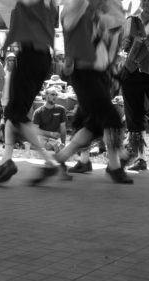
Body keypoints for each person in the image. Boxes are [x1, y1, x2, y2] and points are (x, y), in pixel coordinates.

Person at [46, 0, 133, 184]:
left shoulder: (93, 10)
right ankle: (115, 165)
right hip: (84, 73)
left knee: (94, 125)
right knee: (111, 119)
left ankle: (59, 159)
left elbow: (113, 24)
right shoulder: (75, 8)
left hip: (98, 74)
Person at [0, 0, 60, 185]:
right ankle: (6, 160)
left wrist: (4, 48)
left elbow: (15, 27)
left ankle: (48, 160)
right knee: (13, 112)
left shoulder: (24, 4)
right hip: (44, 59)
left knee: (16, 114)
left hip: (29, 57)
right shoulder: (50, 5)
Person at [119, 0, 149, 171]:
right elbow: (125, 45)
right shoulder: (132, 20)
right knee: (133, 117)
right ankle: (140, 158)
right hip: (132, 73)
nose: (147, 3)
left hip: (142, 70)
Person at [32, 86, 67, 153]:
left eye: (56, 95)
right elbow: (35, 130)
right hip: (42, 137)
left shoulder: (61, 109)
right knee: (44, 143)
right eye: (52, 94)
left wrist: (63, 143)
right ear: (46, 95)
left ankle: (54, 147)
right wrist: (51, 133)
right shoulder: (38, 112)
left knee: (56, 146)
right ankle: (53, 147)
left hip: (54, 139)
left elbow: (63, 128)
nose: (55, 97)